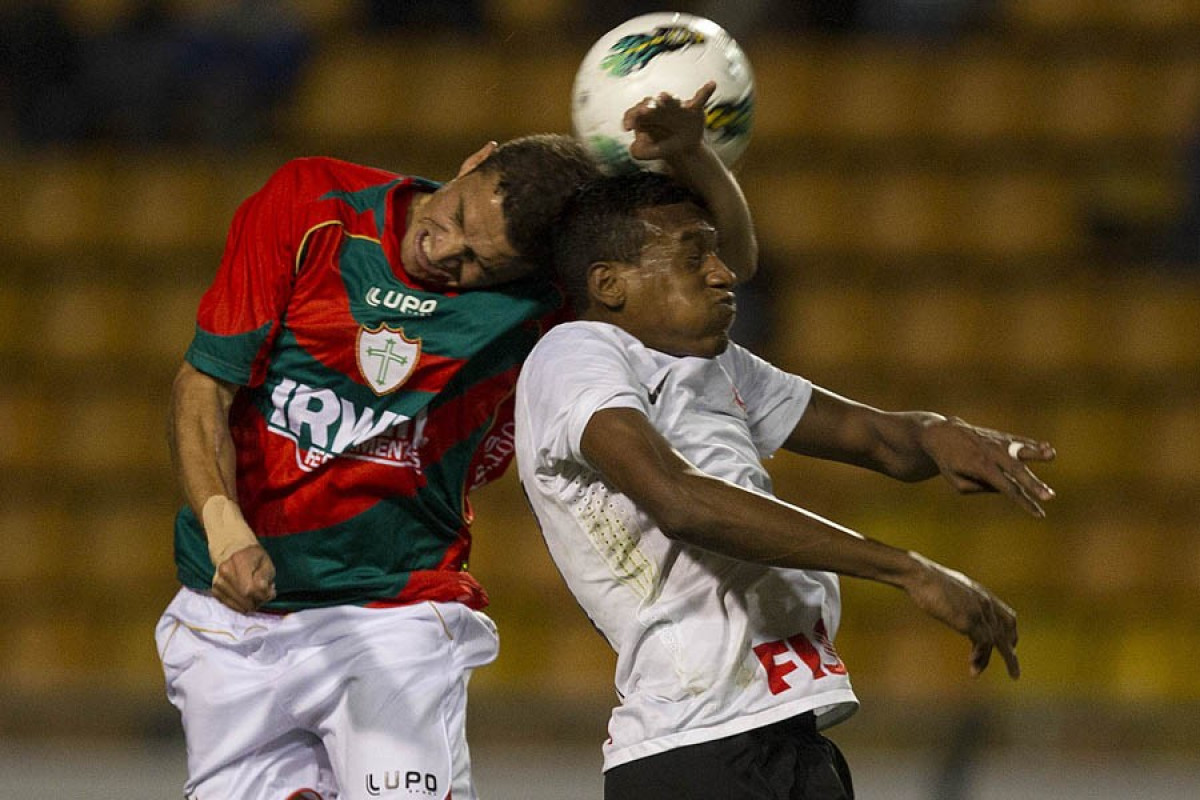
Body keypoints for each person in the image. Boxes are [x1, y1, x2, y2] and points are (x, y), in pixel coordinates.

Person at [156, 84, 747, 800]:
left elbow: (720, 265)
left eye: (479, 263)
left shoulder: (547, 299)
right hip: (230, 618)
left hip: (394, 612)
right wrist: (225, 530)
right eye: (459, 213)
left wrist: (691, 157)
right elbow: (203, 385)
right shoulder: (312, 205)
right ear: (475, 160)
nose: (445, 248)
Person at [514, 171, 1057, 799]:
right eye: (695, 256)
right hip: (697, 747)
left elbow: (876, 438)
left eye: (717, 250)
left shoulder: (711, 362)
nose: (723, 272)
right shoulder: (575, 355)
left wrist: (938, 434)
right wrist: (907, 569)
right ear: (609, 284)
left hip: (784, 736)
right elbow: (679, 501)